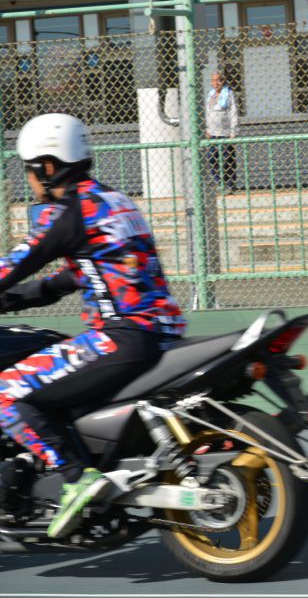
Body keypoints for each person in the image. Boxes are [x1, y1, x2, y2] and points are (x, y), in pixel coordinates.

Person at [0, 113, 186, 538]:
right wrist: (13, 299)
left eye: (29, 169)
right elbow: (70, 278)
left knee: (6, 392)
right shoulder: (114, 202)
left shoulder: (67, 212)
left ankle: (75, 476)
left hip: (119, 336)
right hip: (162, 331)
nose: (29, 178)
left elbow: (15, 263)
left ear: (47, 167)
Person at [204, 71, 239, 189]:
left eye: (218, 80)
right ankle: (220, 182)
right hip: (213, 132)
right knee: (211, 158)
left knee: (227, 160)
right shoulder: (210, 95)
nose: (215, 83)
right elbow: (208, 113)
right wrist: (207, 129)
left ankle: (230, 185)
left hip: (225, 132)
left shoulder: (228, 94)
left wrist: (233, 131)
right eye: (213, 80)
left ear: (223, 81)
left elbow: (233, 113)